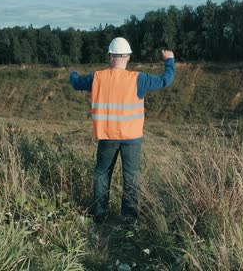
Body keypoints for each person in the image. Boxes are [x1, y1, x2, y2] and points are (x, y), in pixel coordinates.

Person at [69, 37, 175, 223]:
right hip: (131, 138)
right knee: (131, 176)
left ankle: (99, 215)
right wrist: (169, 60)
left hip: (107, 136)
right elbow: (166, 80)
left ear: (110, 56)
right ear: (127, 57)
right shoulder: (139, 79)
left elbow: (77, 83)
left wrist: (73, 73)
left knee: (102, 174)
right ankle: (129, 219)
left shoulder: (97, 77)